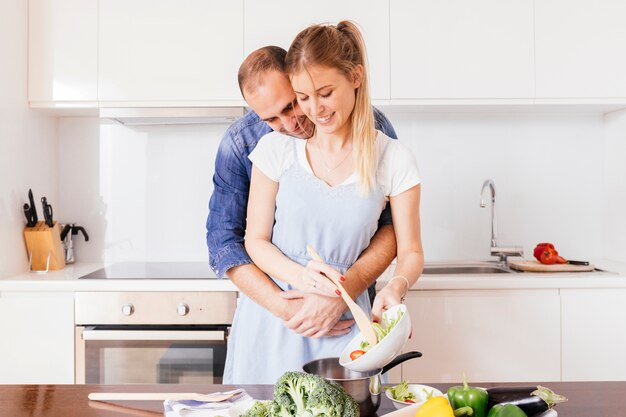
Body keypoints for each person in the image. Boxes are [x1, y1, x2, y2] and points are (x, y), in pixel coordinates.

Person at [233, 21, 424, 384]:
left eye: (325, 93)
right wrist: (301, 278)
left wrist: (395, 287)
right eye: (303, 97)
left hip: (345, 327)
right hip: (274, 321)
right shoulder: (276, 150)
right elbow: (254, 241)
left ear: (356, 76)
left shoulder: (394, 159)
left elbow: (411, 249)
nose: (314, 110)